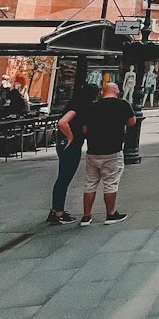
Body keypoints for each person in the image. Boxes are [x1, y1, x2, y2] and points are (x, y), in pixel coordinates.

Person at [80, 82, 135, 225]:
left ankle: (86, 216)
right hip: (113, 150)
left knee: (90, 184)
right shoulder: (123, 105)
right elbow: (132, 122)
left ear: (102, 92)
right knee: (110, 184)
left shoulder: (91, 107)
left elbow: (84, 130)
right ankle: (110, 214)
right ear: (116, 91)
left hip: (93, 150)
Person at [47, 82, 99, 225]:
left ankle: (56, 209)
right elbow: (62, 122)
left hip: (65, 144)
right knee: (64, 178)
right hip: (70, 145)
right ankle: (58, 213)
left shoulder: (76, 104)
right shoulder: (79, 107)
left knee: (62, 178)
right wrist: (70, 136)